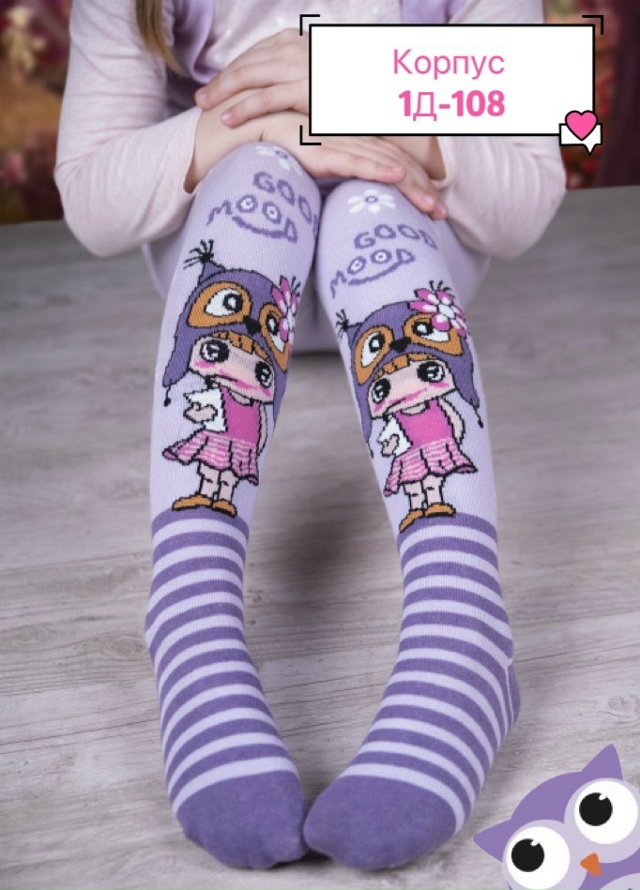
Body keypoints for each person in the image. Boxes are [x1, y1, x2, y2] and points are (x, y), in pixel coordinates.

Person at [54, 0, 566, 872]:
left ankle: (464, 626)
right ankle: (190, 613)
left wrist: (359, 92)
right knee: (261, 175)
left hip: (404, 263)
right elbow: (91, 201)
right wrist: (262, 129)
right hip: (239, 281)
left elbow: (528, 198)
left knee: (367, 197)